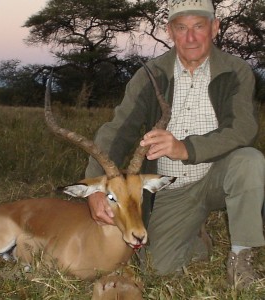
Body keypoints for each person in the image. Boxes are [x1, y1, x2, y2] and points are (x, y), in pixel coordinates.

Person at [85, 0, 265, 290]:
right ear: (170, 31)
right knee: (159, 268)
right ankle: (196, 236)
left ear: (214, 28)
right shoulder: (150, 73)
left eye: (199, 27)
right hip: (171, 189)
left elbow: (242, 129)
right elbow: (118, 130)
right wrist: (96, 186)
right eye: (181, 28)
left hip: (219, 176)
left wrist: (185, 149)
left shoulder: (236, 71)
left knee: (250, 160)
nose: (190, 38)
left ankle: (241, 257)